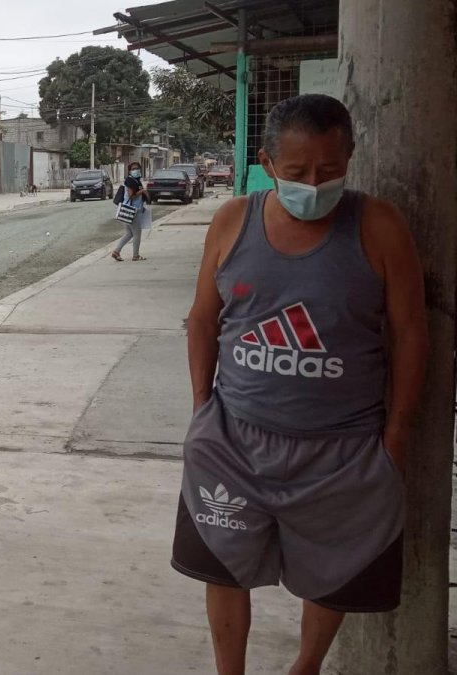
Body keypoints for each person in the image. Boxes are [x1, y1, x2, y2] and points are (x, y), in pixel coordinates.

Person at [174, 94, 427, 675]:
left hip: (343, 453)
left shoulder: (379, 226)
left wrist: (397, 437)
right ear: (267, 162)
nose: (314, 185)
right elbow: (204, 319)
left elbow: (412, 335)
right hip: (234, 443)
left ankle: (305, 667)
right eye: (297, 173)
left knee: (332, 574)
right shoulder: (232, 220)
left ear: (350, 159)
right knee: (221, 567)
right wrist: (201, 410)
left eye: (330, 171)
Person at [111, 161, 149, 261]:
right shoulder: (130, 181)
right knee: (137, 233)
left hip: (131, 210)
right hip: (132, 211)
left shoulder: (136, 180)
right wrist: (142, 191)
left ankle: (116, 251)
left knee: (129, 233)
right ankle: (135, 255)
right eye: (133, 169)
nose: (135, 170)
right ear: (129, 171)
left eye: (137, 168)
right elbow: (131, 196)